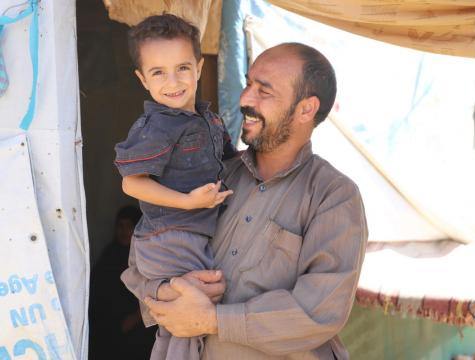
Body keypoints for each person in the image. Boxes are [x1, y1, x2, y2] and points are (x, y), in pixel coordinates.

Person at [122, 42, 368, 359]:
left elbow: (318, 311)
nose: (245, 99)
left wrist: (212, 320)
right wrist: (170, 289)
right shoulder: (211, 174)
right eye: (248, 84)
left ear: (306, 109)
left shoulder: (333, 195)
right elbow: (139, 265)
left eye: (263, 91)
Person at [113, 14, 236, 360]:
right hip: (170, 236)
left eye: (182, 68)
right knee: (191, 316)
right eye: (158, 73)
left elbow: (234, 161)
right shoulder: (157, 126)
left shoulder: (207, 119)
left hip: (188, 234)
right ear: (142, 79)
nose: (173, 82)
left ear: (198, 67)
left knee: (184, 323)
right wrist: (187, 201)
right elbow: (131, 183)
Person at [89, 206, 156, 360]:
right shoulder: (109, 255)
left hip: (140, 327)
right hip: (111, 328)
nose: (124, 231)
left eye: (129, 226)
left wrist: (136, 317)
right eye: (120, 226)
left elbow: (155, 291)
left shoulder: (147, 257)